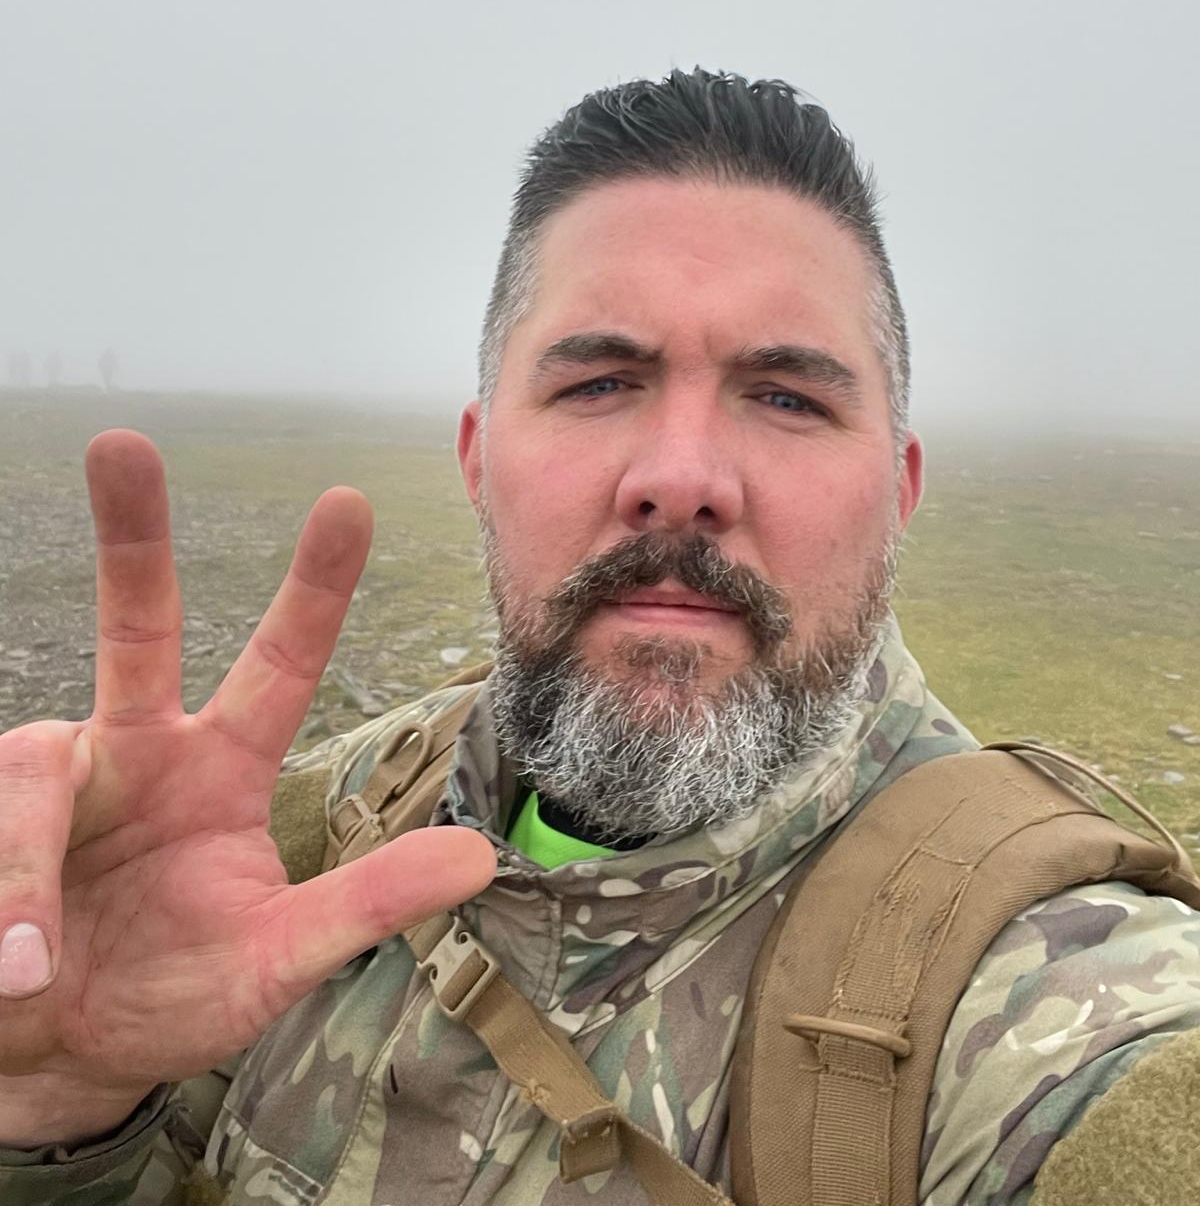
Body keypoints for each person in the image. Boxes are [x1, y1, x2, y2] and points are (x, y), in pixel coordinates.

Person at [0, 69, 1197, 1206]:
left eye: (787, 395)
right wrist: (63, 1117)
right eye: (599, 383)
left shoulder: (1047, 990)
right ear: (479, 459)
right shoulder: (321, 833)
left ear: (900, 490)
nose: (680, 480)